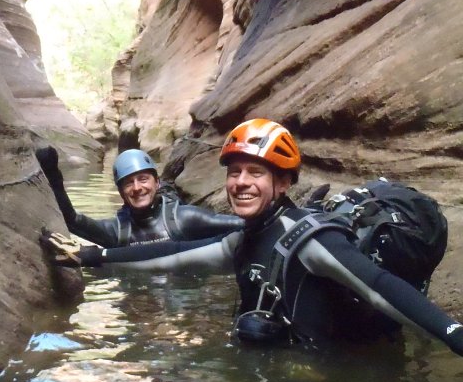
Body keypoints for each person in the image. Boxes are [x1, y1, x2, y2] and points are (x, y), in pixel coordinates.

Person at [41, 119, 463, 355]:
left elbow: (378, 288)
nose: (241, 183)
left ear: (282, 184)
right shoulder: (242, 239)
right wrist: (93, 256)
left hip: (340, 378)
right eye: (234, 172)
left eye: (256, 173)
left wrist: (452, 334)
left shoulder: (312, 242)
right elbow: (172, 254)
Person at [36, 145, 243, 248]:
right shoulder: (117, 232)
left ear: (157, 183)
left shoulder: (185, 219)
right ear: (121, 192)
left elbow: (241, 224)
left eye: (143, 179)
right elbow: (72, 221)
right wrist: (53, 175)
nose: (137, 188)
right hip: (136, 310)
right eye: (128, 182)